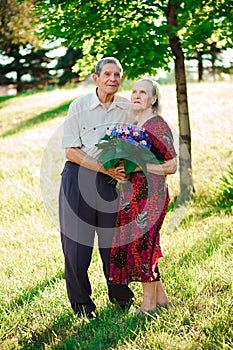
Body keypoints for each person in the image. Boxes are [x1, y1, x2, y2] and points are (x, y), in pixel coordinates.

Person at [59, 57, 134, 319]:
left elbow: (135, 143)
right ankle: (82, 305)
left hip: (110, 182)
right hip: (78, 177)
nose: (113, 79)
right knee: (77, 247)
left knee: (113, 243)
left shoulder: (126, 108)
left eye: (118, 74)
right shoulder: (79, 106)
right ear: (96, 78)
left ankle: (121, 296)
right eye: (108, 74)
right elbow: (70, 151)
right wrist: (104, 168)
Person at [109, 78, 177, 315]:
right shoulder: (134, 126)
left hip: (153, 196)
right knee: (144, 244)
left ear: (153, 99)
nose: (137, 95)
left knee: (142, 245)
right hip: (132, 195)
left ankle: (148, 306)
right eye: (134, 91)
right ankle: (162, 300)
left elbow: (171, 166)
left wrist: (140, 167)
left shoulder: (157, 125)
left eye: (143, 92)